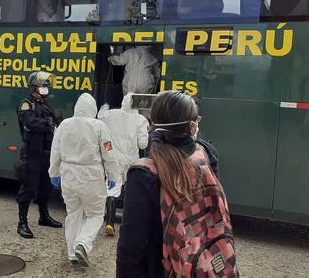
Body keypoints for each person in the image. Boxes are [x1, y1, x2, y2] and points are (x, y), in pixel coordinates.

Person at [116, 91, 238, 277]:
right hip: (211, 260)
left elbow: (131, 247)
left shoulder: (144, 174)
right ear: (191, 126)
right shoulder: (206, 154)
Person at [49, 93, 120, 268]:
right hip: (91, 176)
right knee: (95, 214)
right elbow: (108, 152)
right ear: (93, 109)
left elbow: (55, 151)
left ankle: (72, 253)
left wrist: (54, 173)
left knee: (73, 215)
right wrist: (113, 176)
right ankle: (83, 244)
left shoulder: (64, 125)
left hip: (68, 175)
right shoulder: (99, 126)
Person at [16, 71, 63, 239]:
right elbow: (30, 122)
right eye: (43, 86)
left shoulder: (45, 105)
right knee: (28, 188)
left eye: (46, 86)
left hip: (47, 154)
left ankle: (44, 216)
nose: (46, 88)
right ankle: (22, 222)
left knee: (46, 187)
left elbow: (54, 122)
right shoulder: (26, 104)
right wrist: (49, 124)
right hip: (32, 154)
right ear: (34, 87)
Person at [97, 93, 149, 236]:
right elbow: (143, 144)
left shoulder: (111, 114)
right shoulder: (141, 120)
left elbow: (100, 116)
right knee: (130, 190)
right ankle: (130, 225)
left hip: (114, 158)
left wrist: (104, 107)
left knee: (112, 188)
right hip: (130, 160)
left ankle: (109, 223)